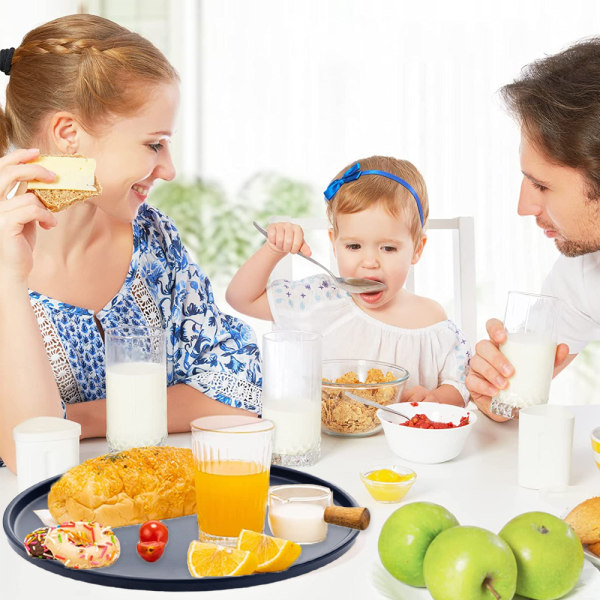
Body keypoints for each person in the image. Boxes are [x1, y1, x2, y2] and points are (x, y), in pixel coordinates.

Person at [0, 14, 261, 472]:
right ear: (69, 135)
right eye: (154, 144)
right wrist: (8, 276)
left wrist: (78, 419)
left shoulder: (154, 240)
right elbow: (28, 453)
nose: (169, 169)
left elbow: (239, 389)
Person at [227, 156, 470, 407]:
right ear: (334, 243)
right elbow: (241, 298)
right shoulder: (319, 299)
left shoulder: (431, 320)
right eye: (354, 246)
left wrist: (436, 399)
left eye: (388, 248)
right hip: (324, 442)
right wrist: (273, 249)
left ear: (417, 249)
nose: (369, 262)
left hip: (402, 445)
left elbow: (458, 386)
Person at [466, 37, 600, 421]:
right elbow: (512, 393)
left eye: (541, 185)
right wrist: (494, 388)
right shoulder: (583, 271)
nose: (524, 207)